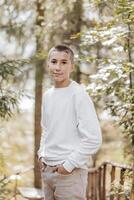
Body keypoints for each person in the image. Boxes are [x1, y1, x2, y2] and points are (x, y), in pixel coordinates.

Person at [38, 44, 102, 200]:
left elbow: (93, 139)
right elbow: (46, 129)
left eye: (64, 62)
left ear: (72, 67)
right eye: (54, 62)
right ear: (48, 64)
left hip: (70, 175)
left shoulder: (79, 95)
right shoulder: (47, 95)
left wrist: (68, 166)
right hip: (47, 171)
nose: (57, 67)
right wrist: (41, 155)